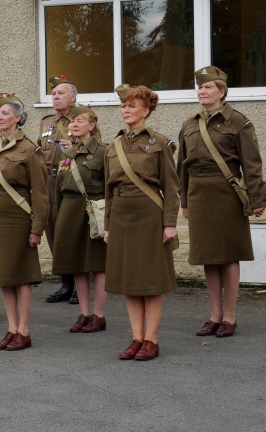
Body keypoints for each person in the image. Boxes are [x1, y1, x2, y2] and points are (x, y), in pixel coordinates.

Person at [178, 66, 266, 338]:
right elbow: (181, 167)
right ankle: (214, 315)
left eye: (208, 87)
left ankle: (229, 316)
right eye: (200, 87)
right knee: (208, 256)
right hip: (198, 194)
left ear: (222, 91)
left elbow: (251, 165)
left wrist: (257, 198)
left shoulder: (239, 122)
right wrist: (183, 200)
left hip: (227, 193)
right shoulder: (189, 124)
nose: (202, 91)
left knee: (229, 255)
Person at [104, 84, 179, 361]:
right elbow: (108, 190)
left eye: (132, 106)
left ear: (146, 111)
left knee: (151, 281)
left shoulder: (159, 143)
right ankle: (136, 337)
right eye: (123, 106)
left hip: (149, 215)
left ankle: (152, 339)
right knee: (129, 281)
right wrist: (108, 225)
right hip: (121, 216)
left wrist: (169, 223)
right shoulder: (113, 146)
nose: (125, 110)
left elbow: (171, 187)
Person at [0, 92, 48, 351]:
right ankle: (11, 328)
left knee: (21, 277)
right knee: (4, 277)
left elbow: (40, 193)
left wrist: (37, 228)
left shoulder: (29, 148)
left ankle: (24, 330)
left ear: (18, 119)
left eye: (5, 113)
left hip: (18, 219)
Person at [53, 104, 108, 333]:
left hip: (93, 211)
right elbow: (59, 188)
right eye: (71, 122)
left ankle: (99, 314)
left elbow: (109, 186)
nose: (73, 125)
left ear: (92, 126)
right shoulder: (67, 154)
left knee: (97, 265)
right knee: (77, 265)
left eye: (79, 121)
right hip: (70, 210)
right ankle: (84, 313)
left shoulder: (104, 152)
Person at [38, 75, 78, 304]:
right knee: (53, 231)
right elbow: (37, 151)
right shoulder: (46, 122)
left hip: (72, 181)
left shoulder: (84, 118)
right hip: (50, 181)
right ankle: (66, 283)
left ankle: (79, 283)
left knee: (71, 231)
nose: (55, 97)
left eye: (60, 93)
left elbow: (94, 149)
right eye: (53, 94)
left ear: (72, 96)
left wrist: (75, 147)